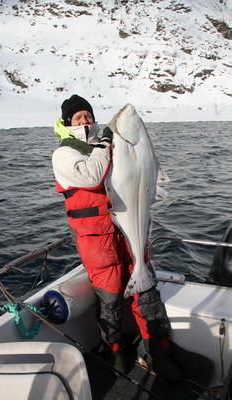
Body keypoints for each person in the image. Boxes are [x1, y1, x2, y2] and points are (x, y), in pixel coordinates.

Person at [52, 94, 181, 380]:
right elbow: (90, 178)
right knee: (110, 302)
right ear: (67, 123)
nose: (84, 120)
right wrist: (105, 144)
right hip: (98, 244)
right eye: (77, 117)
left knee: (147, 297)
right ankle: (116, 355)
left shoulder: (107, 145)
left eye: (88, 115)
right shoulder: (65, 153)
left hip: (128, 233)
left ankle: (159, 352)